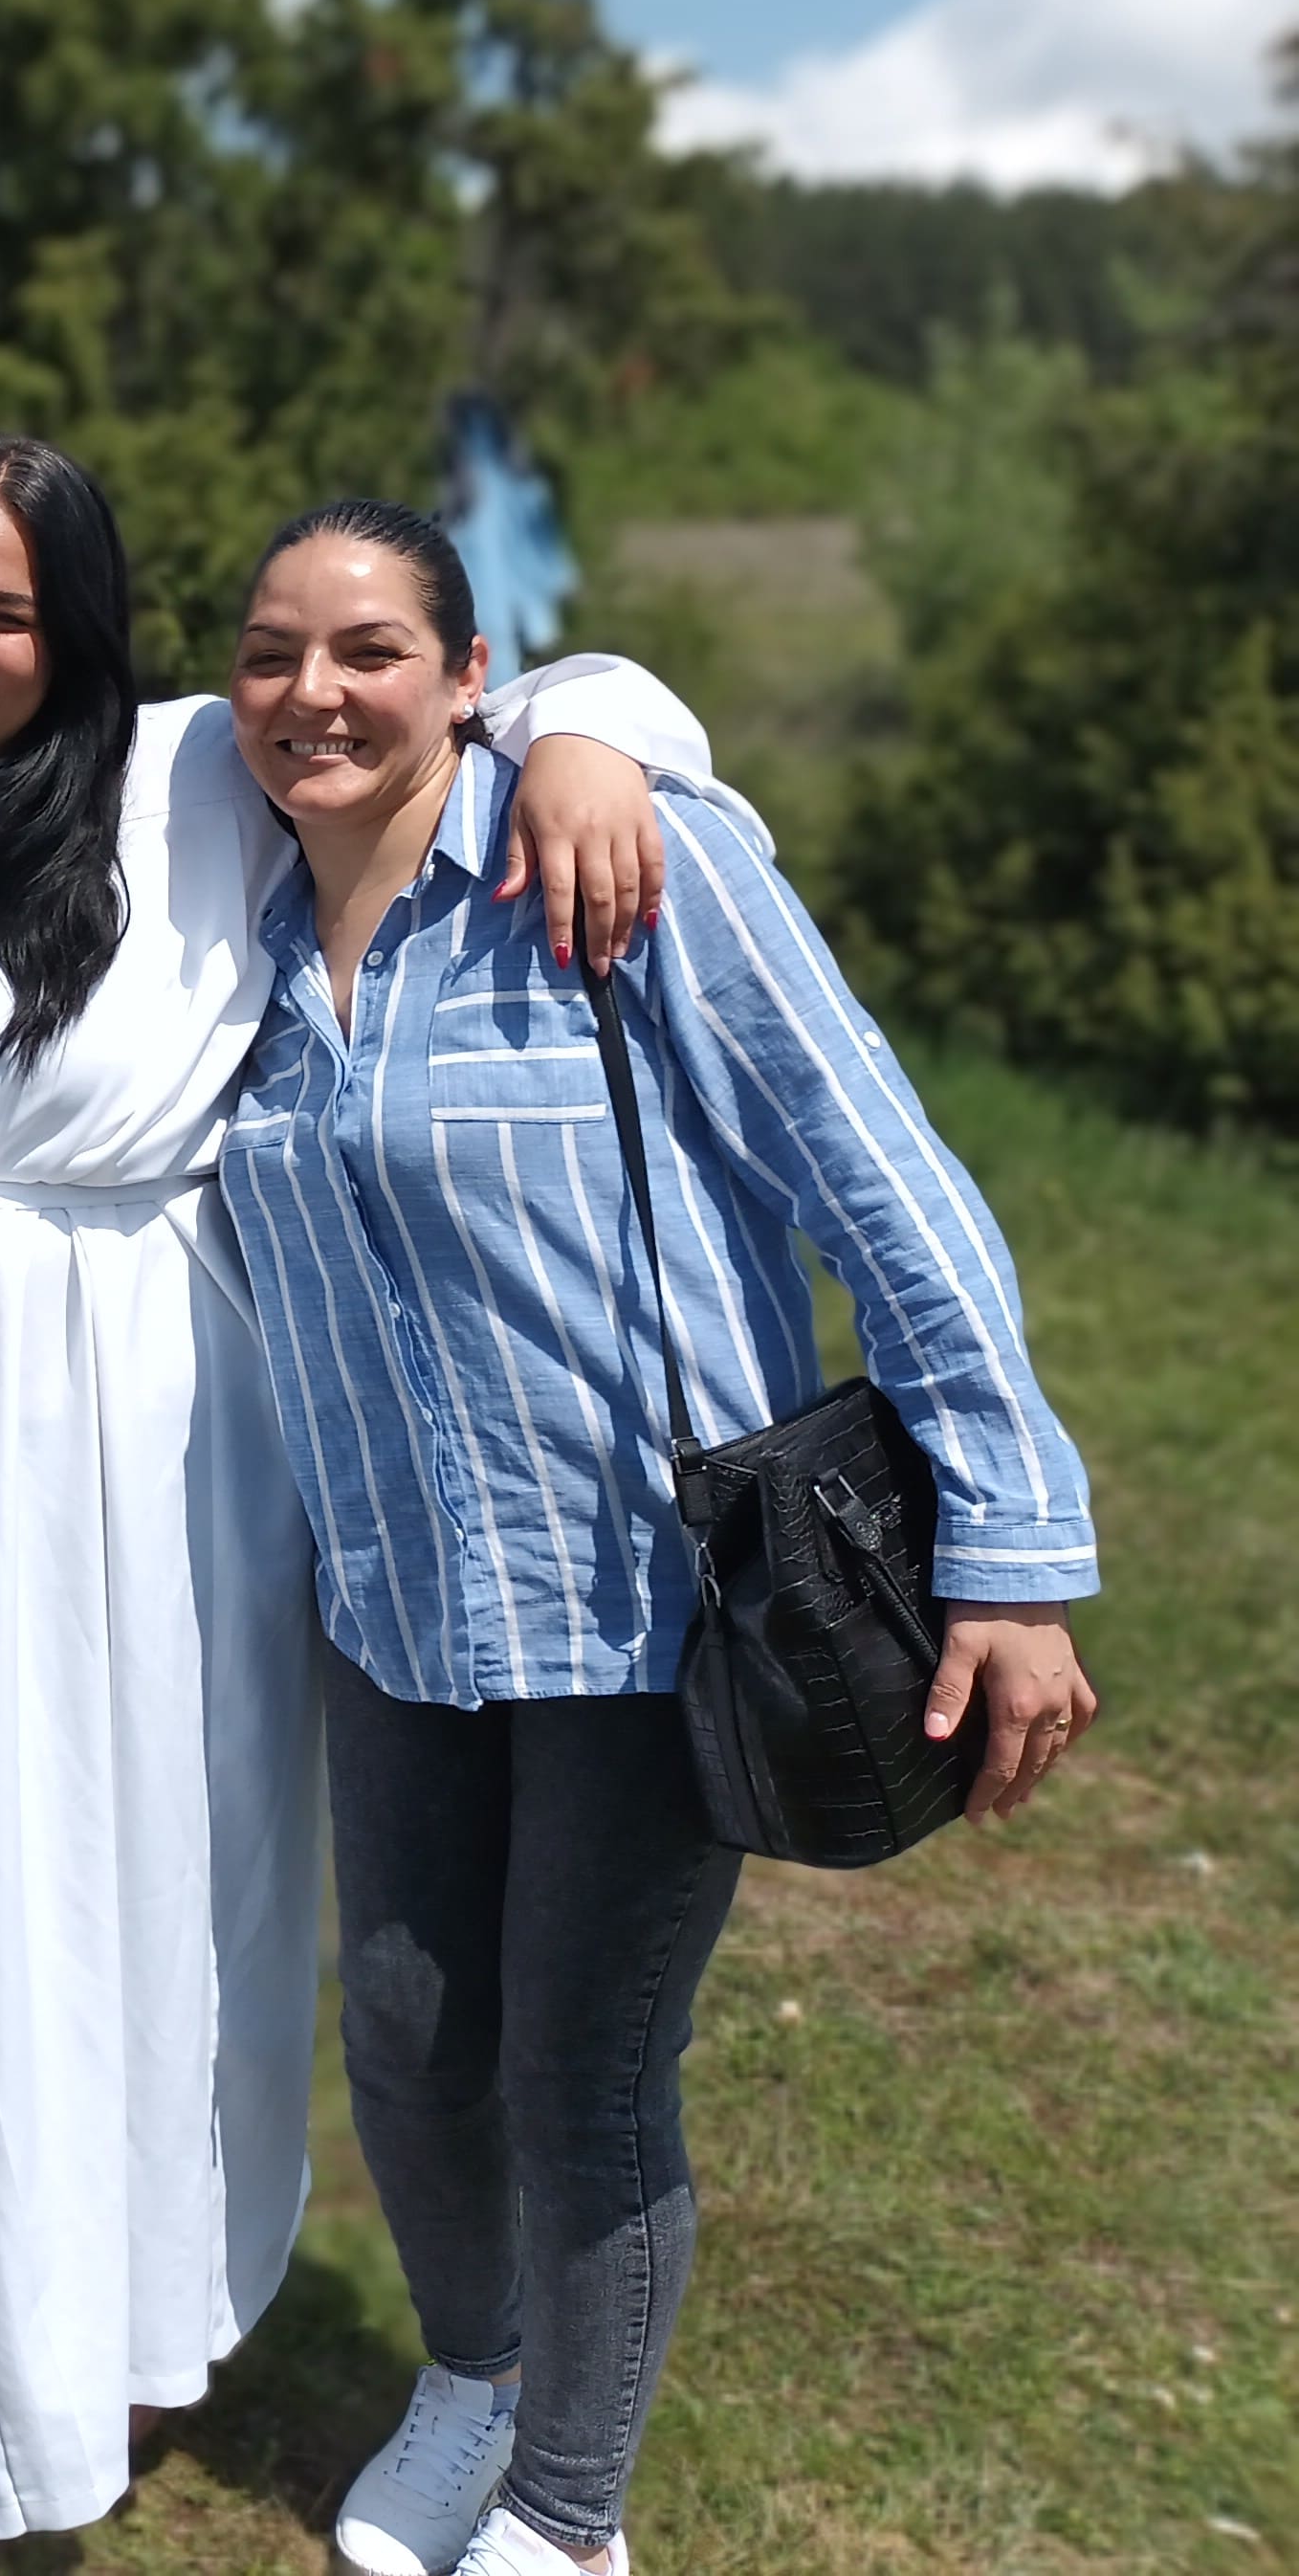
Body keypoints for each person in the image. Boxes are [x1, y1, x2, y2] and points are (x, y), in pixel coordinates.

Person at [0, 437, 720, 2544]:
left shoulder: (188, 776)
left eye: (1, 607)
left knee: (100, 1881)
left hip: (108, 1443)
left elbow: (440, 697)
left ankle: (101, 2329)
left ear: (75, 627)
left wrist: (592, 730)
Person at [215, 499, 1100, 2576]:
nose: (310, 693)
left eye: (365, 651)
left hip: (641, 1599)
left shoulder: (608, 862)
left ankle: (566, 2510)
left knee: (581, 2071)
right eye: (269, 651)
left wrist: (1010, 1540)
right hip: (389, 1602)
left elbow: (875, 1174)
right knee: (411, 2047)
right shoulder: (231, 930)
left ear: (461, 676)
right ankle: (470, 2377)